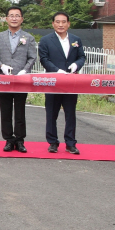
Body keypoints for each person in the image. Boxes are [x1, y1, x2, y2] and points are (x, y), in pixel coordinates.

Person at [0, 6, 38, 153]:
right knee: (6, 110)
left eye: (17, 16)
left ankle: (20, 140)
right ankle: (9, 140)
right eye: (11, 15)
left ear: (22, 19)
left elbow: (32, 57)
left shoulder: (28, 38)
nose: (14, 18)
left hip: (21, 80)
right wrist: (1, 66)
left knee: (20, 111)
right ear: (6, 18)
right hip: (4, 80)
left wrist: (25, 70)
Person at [38, 11, 86, 155]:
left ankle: (70, 143)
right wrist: (57, 70)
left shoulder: (76, 39)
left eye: (63, 21)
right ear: (53, 24)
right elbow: (44, 59)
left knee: (70, 113)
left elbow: (81, 56)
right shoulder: (46, 40)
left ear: (68, 23)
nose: (60, 24)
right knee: (51, 113)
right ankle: (52, 142)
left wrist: (76, 65)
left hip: (71, 83)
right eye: (57, 22)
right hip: (53, 81)